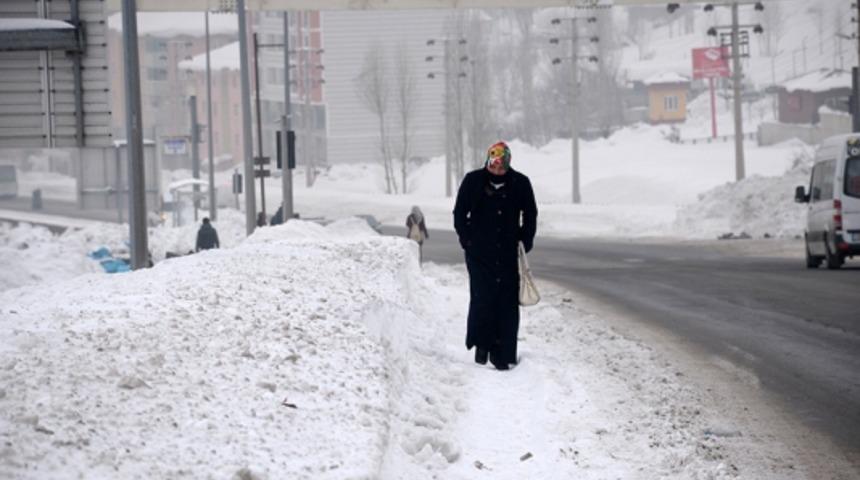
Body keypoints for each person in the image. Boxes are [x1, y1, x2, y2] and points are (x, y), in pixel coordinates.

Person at [453, 141, 537, 371]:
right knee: (483, 298)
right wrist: (467, 240)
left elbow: (530, 213)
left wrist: (525, 239)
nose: (497, 172)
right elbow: (460, 212)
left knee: (507, 302)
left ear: (508, 166)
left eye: (502, 168)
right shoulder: (473, 181)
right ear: (488, 163)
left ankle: (503, 354)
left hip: (508, 252)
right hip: (479, 253)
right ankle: (482, 343)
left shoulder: (520, 183)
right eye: (494, 167)